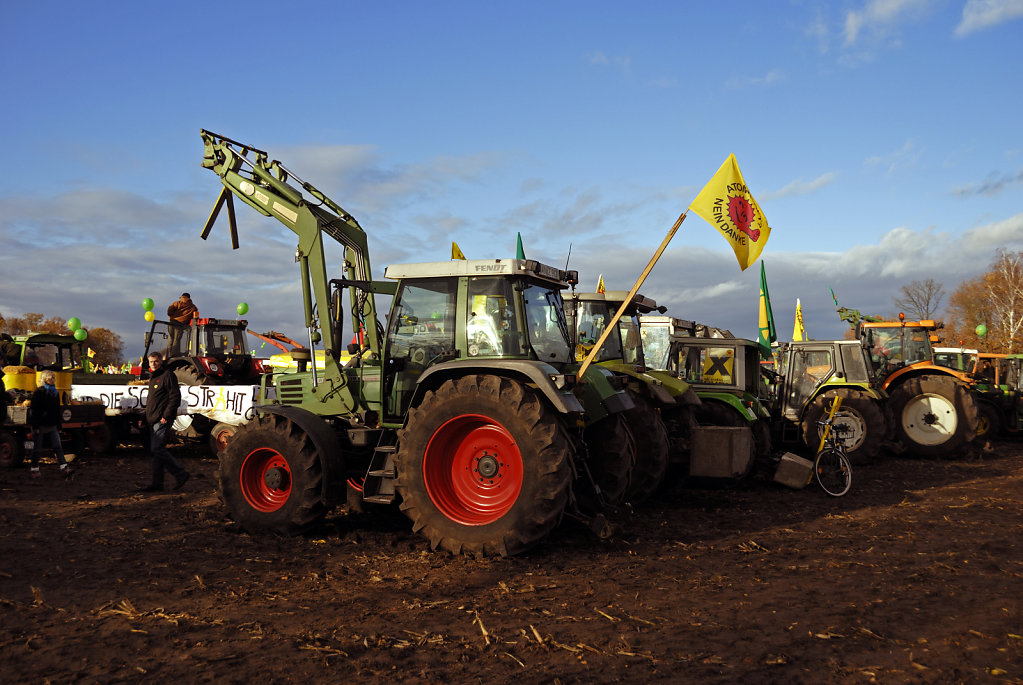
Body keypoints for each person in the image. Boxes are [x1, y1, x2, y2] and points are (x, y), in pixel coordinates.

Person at [140, 352, 189, 492]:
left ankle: (181, 474)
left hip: (161, 419)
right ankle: (157, 484)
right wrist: (144, 418)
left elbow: (175, 397)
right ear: (148, 363)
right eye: (151, 362)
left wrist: (166, 416)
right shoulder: (153, 378)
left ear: (160, 361)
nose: (153, 364)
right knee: (155, 452)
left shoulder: (167, 375)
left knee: (157, 449)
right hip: (153, 419)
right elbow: (152, 401)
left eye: (156, 361)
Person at [28, 370, 72, 478]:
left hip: (52, 425)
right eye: (50, 378)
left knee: (58, 446)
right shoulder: (39, 392)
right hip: (40, 425)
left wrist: (59, 425)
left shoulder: (55, 393)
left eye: (53, 377)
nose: (52, 379)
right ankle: (34, 469)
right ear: (44, 379)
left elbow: (57, 410)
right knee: (37, 449)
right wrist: (35, 426)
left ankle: (64, 468)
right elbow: (34, 411)